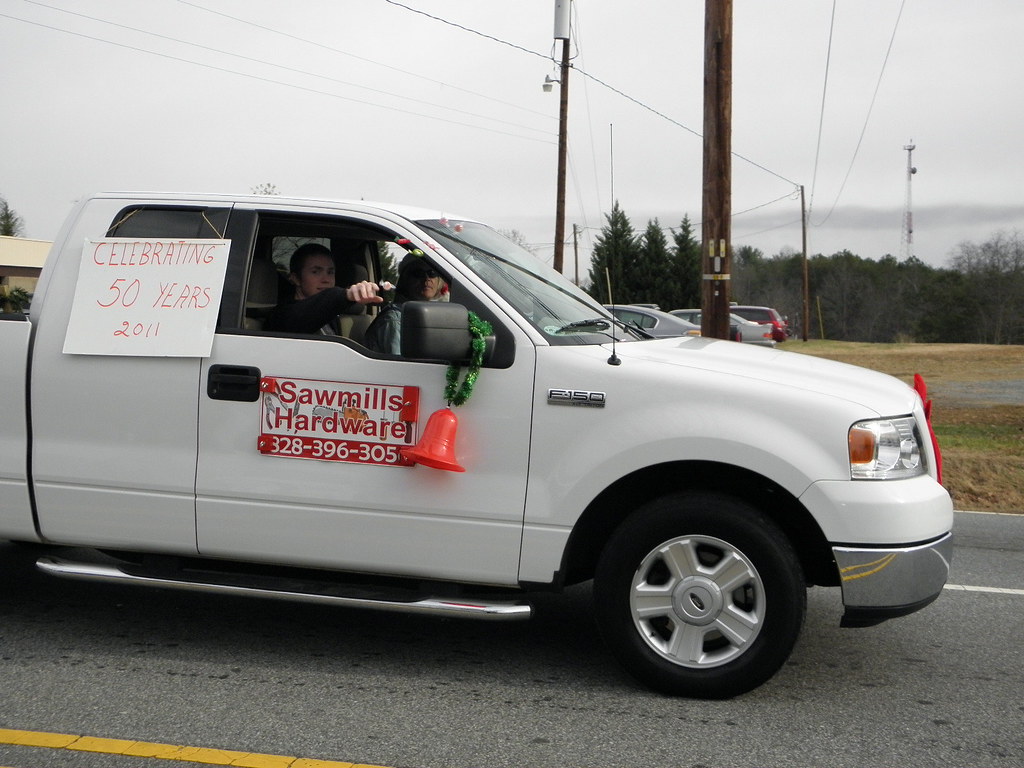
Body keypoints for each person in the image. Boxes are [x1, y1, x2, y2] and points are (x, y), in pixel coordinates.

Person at [264, 243, 383, 334]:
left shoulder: (331, 315)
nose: (326, 279)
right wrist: (346, 295)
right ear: (295, 279)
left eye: (330, 272)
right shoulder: (282, 316)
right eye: (315, 272)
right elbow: (306, 313)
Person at [363, 254, 448, 354]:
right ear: (405, 279)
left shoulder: (423, 315)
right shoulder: (395, 319)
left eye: (432, 273)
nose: (426, 278)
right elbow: (399, 362)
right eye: (418, 273)